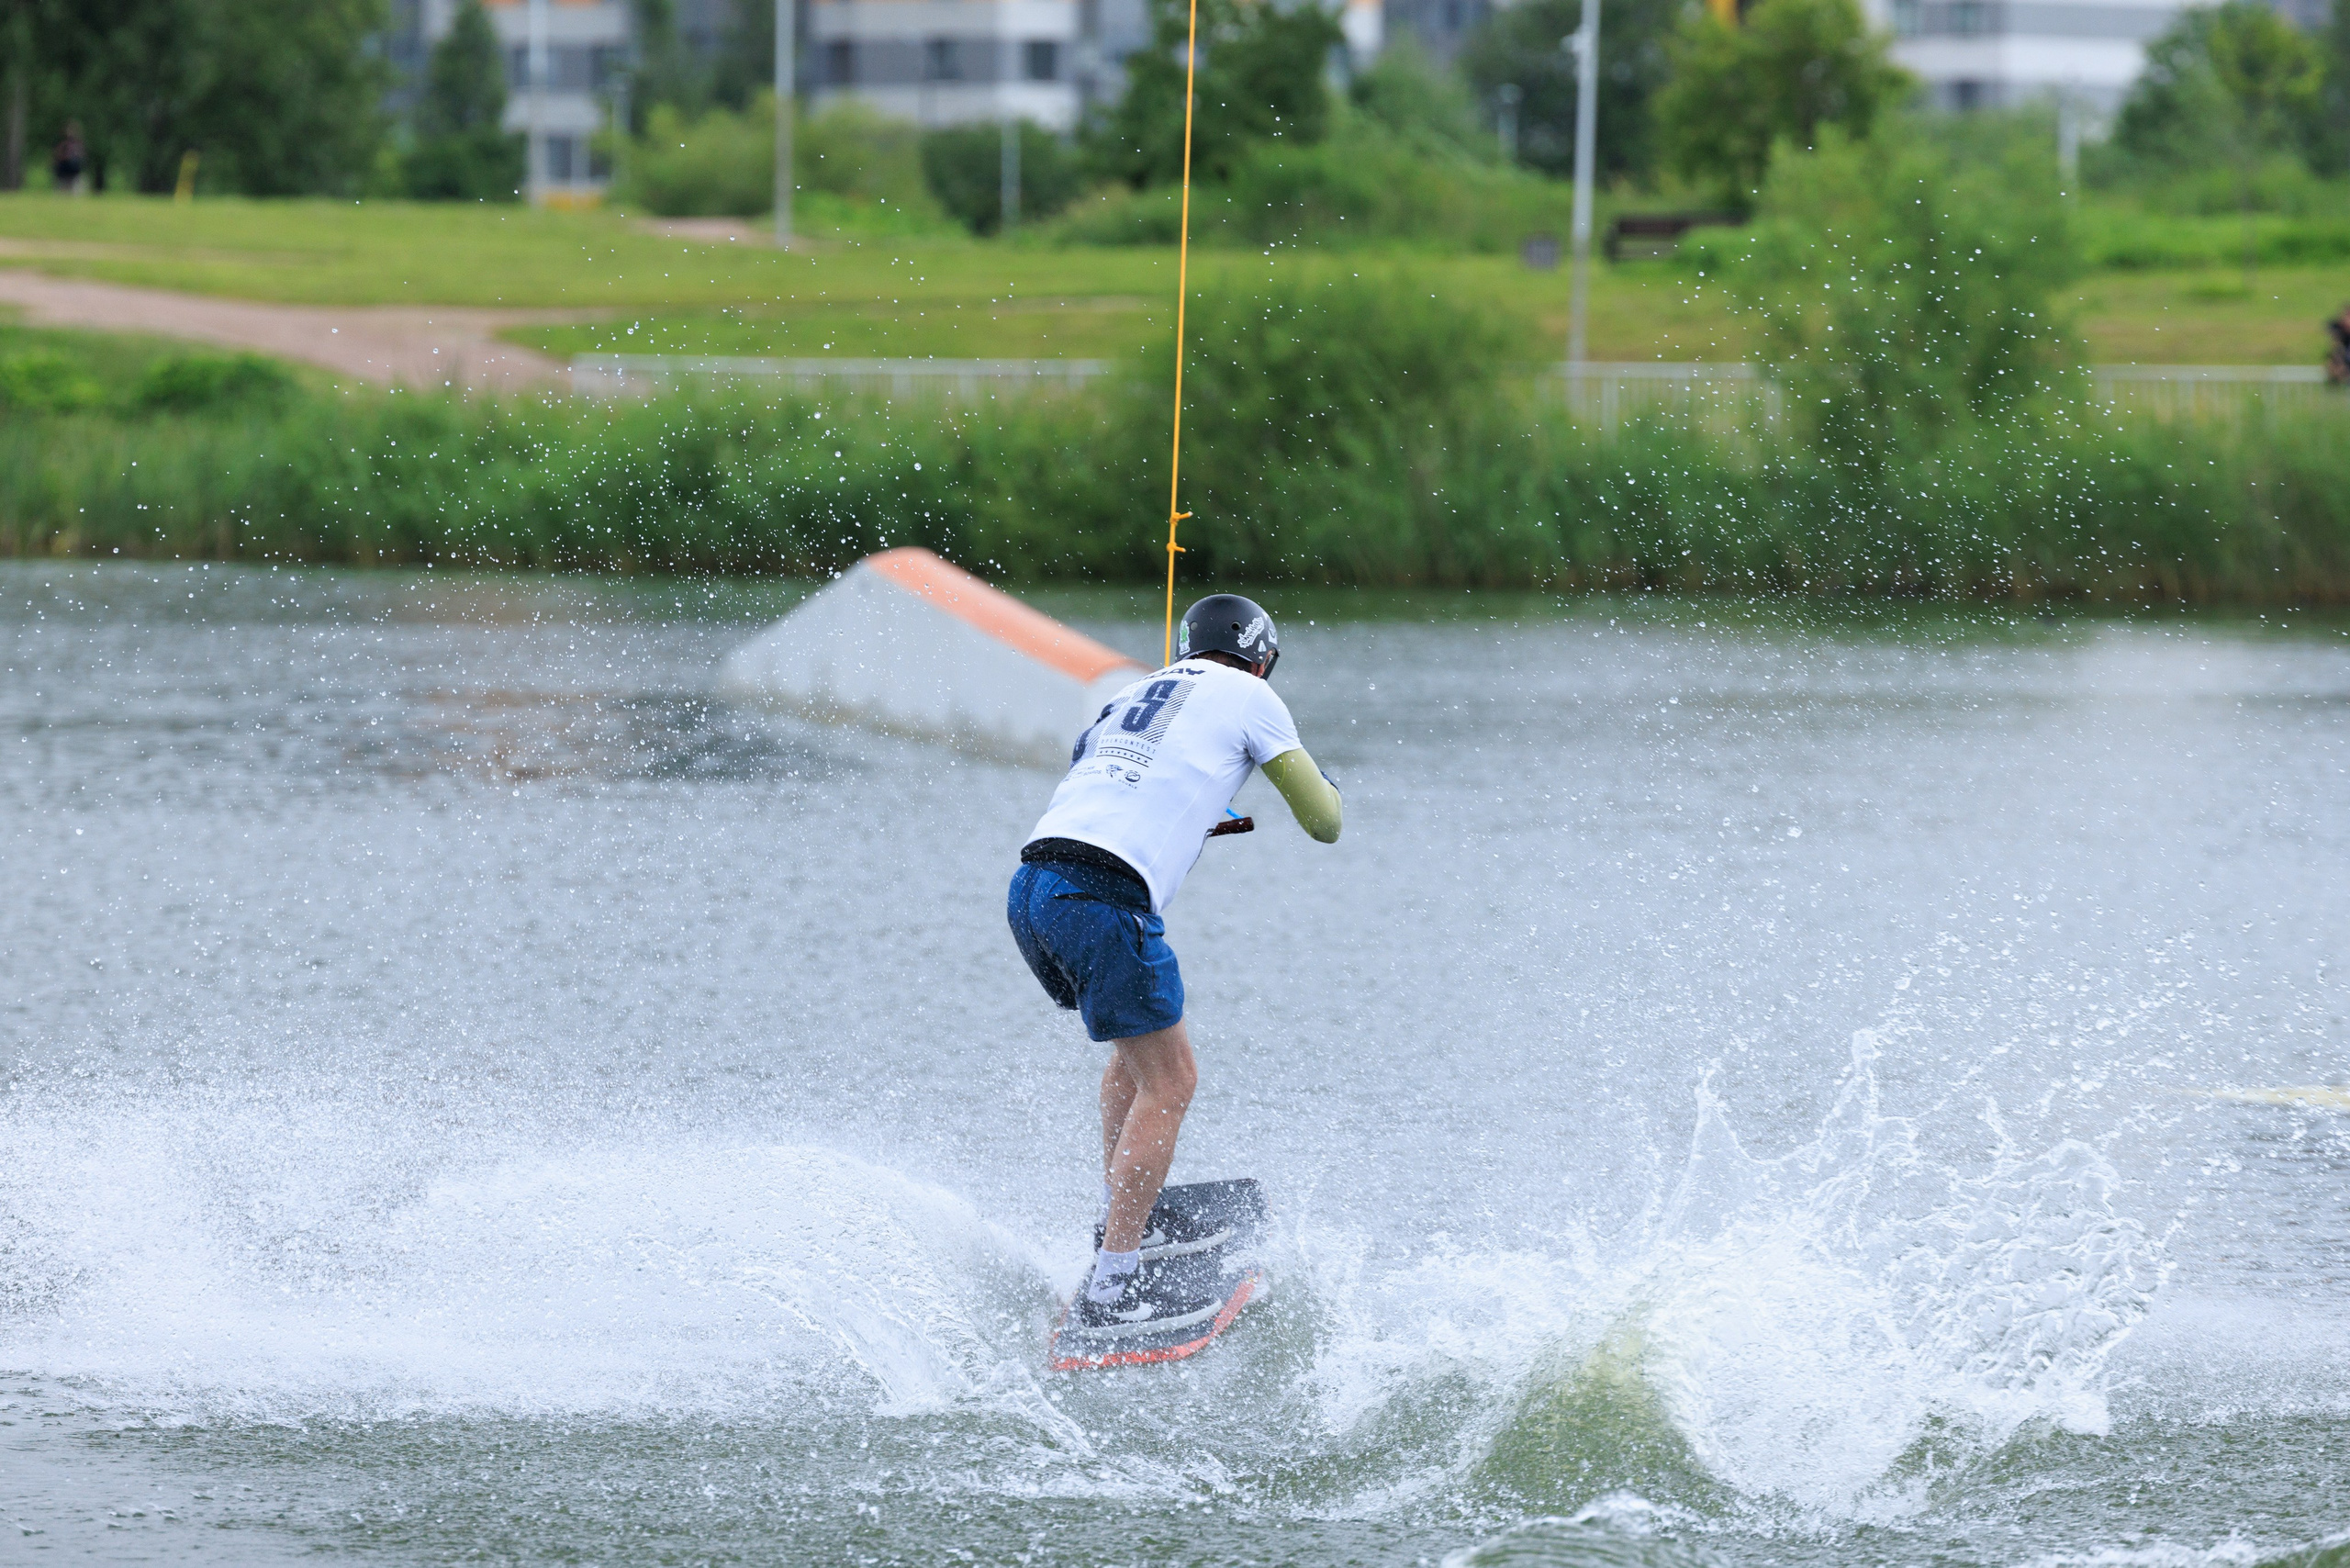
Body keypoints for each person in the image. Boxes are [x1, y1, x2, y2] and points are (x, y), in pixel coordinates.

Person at [1006, 594, 1342, 1331]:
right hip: (1100, 898)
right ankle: (1116, 1282)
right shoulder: (1254, 694)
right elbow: (1324, 824)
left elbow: (1099, 773)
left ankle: (1125, 1222)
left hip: (1034, 888)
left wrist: (1190, 809)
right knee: (1174, 1079)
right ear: (1263, 657)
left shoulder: (1133, 691)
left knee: (1134, 1058)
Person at [51, 122, 86, 195]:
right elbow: (57, 155)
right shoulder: (62, 143)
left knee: (74, 190)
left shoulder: (78, 144)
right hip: (64, 168)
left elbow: (81, 155)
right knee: (62, 190)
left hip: (74, 169)